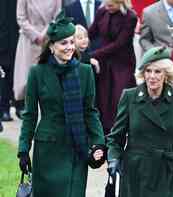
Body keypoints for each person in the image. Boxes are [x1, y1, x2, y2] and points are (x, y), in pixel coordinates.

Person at [17, 12, 106, 197]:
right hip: (48, 149)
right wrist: (23, 150)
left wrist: (98, 143)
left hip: (76, 147)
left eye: (72, 42)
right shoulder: (37, 72)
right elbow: (30, 115)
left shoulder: (85, 72)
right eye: (64, 43)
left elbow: (90, 112)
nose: (69, 47)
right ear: (51, 46)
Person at [107, 46, 173, 197]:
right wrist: (113, 158)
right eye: (148, 71)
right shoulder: (130, 97)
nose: (152, 76)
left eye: (157, 71)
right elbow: (116, 138)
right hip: (137, 175)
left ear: (166, 74)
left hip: (169, 174)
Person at [88, 0, 137, 134]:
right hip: (104, 62)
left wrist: (93, 54)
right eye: (106, 4)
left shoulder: (130, 17)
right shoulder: (102, 12)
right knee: (104, 99)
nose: (108, 8)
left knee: (118, 98)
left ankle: (122, 131)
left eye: (111, 5)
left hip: (122, 63)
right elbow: (91, 32)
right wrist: (78, 42)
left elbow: (119, 44)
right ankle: (104, 134)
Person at [13, 0, 61, 117]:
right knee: (27, 77)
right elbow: (21, 18)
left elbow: (57, 16)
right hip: (28, 40)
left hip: (48, 39)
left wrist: (44, 34)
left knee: (48, 76)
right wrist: (35, 35)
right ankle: (26, 106)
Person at [0, 0, 19, 122]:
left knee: (14, 73)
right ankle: (4, 109)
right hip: (3, 37)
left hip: (15, 39)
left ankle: (19, 105)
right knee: (3, 76)